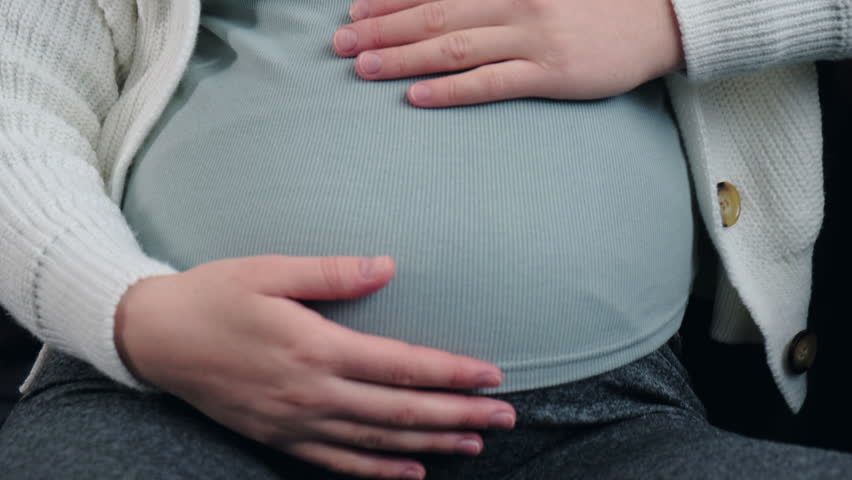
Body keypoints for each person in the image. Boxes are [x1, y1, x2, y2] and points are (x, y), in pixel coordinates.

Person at [0, 0, 850, 478]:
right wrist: (133, 318)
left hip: (613, 426)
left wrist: (673, 18)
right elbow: (17, 87)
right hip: (175, 405)